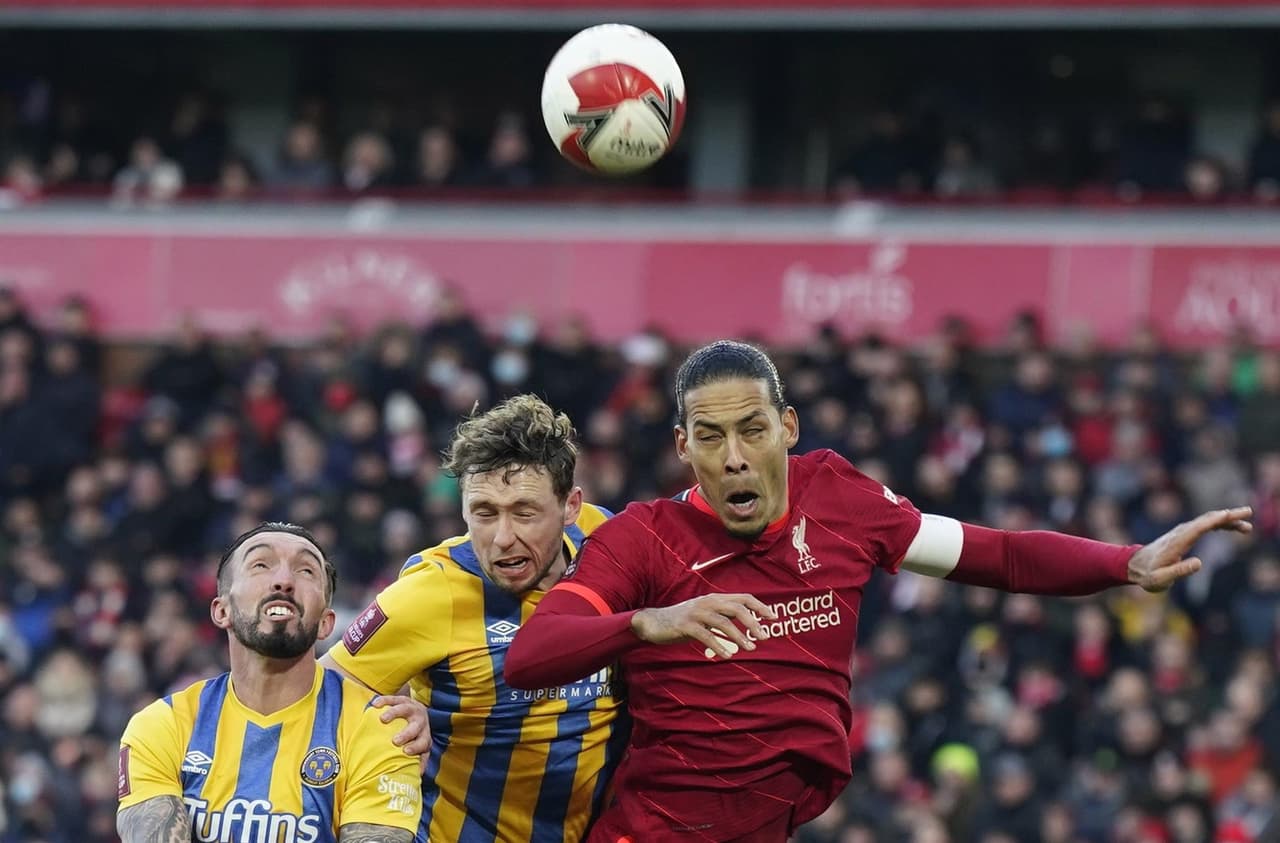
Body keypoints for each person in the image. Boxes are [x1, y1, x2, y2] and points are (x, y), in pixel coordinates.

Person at [504, 340, 1253, 843]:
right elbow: (532, 654)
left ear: (787, 426)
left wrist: (1126, 562)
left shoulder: (841, 500)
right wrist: (648, 623)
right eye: (710, 436)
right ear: (682, 445)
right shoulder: (643, 539)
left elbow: (996, 554)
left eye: (753, 429)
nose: (733, 457)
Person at [320, 394, 625, 843]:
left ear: (571, 507)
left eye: (524, 512)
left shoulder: (609, 543)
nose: (503, 538)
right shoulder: (431, 591)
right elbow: (317, 695)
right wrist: (378, 723)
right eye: (484, 513)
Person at [117, 522, 423, 843]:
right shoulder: (163, 725)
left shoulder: (380, 728)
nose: (284, 581)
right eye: (261, 565)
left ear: (326, 623)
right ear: (222, 610)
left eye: (305, 571)